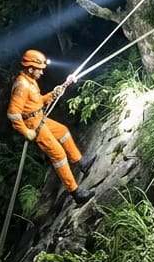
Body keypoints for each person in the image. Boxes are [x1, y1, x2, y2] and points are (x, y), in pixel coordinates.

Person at [6, 50, 94, 201]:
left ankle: (81, 162)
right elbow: (13, 113)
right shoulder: (22, 86)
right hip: (34, 124)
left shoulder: (31, 81)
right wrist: (26, 131)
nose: (41, 73)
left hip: (40, 117)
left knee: (63, 132)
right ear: (30, 68)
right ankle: (76, 193)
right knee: (58, 154)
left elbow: (37, 101)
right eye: (39, 69)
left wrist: (53, 94)